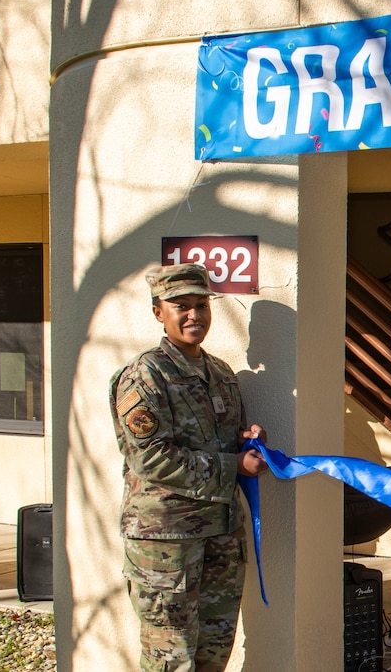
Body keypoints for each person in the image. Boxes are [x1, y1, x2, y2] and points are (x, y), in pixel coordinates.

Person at [109, 263, 269, 671]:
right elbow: (150, 458)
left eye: (202, 305)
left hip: (220, 533)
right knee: (172, 658)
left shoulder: (221, 373)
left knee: (214, 652)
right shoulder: (145, 375)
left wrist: (248, 442)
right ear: (158, 312)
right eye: (181, 306)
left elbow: (223, 440)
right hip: (167, 544)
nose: (194, 315)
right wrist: (234, 465)